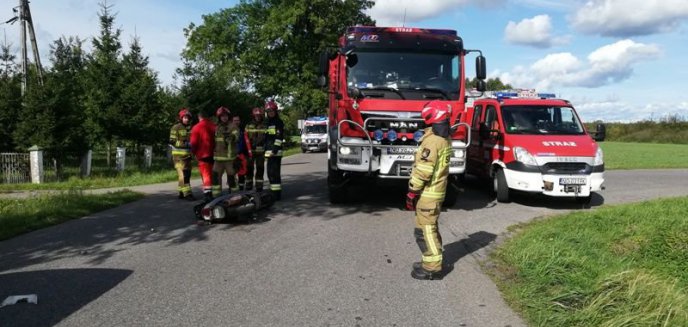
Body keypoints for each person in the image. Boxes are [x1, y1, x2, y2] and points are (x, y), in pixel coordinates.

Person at [406, 101, 453, 280]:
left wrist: (412, 191)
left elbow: (424, 171)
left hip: (427, 194)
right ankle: (430, 260)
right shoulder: (444, 138)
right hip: (435, 193)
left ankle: (432, 268)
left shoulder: (433, 141)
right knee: (427, 229)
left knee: (426, 230)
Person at [211, 106, 240, 197]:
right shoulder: (216, 127)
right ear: (219, 117)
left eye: (226, 115)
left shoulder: (233, 126)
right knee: (215, 178)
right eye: (222, 116)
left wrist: (231, 137)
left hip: (229, 158)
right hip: (218, 159)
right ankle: (216, 196)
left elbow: (237, 137)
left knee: (231, 178)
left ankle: (235, 196)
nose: (224, 117)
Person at [190, 109, 217, 202]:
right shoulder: (214, 126)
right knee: (212, 174)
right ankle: (214, 192)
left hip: (202, 155)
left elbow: (193, 143)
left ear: (199, 117)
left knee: (206, 174)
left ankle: (207, 194)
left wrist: (192, 154)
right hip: (214, 154)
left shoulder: (196, 127)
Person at [169, 108, 194, 200]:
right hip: (178, 156)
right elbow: (172, 141)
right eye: (184, 117)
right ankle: (188, 194)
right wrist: (185, 144)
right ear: (181, 118)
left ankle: (181, 192)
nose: (186, 119)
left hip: (187, 156)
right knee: (184, 175)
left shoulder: (189, 128)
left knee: (186, 174)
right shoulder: (176, 127)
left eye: (188, 118)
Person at [264, 100, 284, 200]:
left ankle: (276, 195)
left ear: (275, 111)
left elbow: (279, 138)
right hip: (269, 153)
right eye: (268, 111)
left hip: (275, 153)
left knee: (274, 174)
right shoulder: (268, 122)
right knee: (270, 173)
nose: (270, 113)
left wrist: (274, 150)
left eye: (272, 111)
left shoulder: (278, 122)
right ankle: (273, 192)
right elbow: (267, 138)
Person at [245, 107, 267, 191]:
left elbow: (268, 138)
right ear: (253, 116)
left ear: (261, 116)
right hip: (250, 152)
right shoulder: (248, 125)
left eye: (259, 115)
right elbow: (245, 138)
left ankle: (259, 187)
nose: (258, 117)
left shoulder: (265, 126)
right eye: (256, 115)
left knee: (260, 170)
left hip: (261, 152)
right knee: (249, 170)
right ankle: (248, 187)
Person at [233, 115, 252, 191]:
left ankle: (243, 189)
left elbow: (245, 142)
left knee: (243, 172)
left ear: (239, 121)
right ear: (232, 121)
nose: (236, 122)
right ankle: (234, 190)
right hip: (233, 155)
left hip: (242, 155)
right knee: (233, 174)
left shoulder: (242, 130)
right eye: (235, 120)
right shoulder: (230, 130)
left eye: (237, 120)